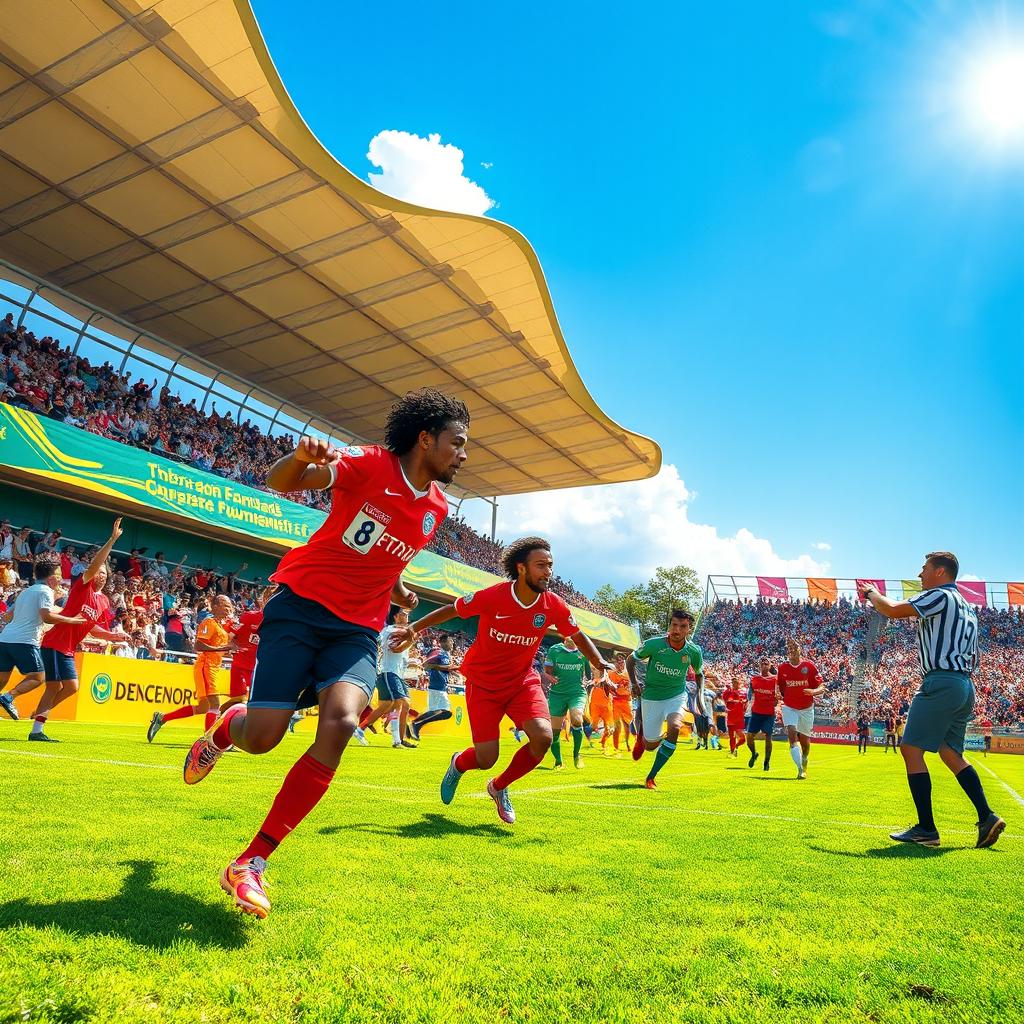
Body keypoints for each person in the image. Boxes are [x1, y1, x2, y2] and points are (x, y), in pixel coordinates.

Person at [182, 388, 467, 918]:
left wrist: (399, 590)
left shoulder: (436, 507)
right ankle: (226, 729)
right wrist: (300, 460)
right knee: (263, 739)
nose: (463, 454)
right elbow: (281, 481)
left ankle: (250, 863)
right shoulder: (367, 463)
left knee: (340, 723)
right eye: (458, 442)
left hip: (356, 630)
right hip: (299, 610)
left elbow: (379, 551)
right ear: (426, 439)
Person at [388, 537, 612, 824]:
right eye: (541, 565)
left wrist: (598, 662)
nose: (548, 572)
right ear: (521, 568)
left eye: (550, 566)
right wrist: (414, 629)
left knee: (543, 737)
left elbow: (578, 634)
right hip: (483, 683)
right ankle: (458, 764)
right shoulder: (494, 595)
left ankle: (499, 786)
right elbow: (454, 609)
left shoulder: (553, 604)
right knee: (485, 758)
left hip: (522, 682)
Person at [861, 552, 1005, 849]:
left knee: (911, 750)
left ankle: (927, 829)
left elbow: (891, 609)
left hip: (940, 681)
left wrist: (871, 592)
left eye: (924, 568)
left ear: (940, 571)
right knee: (951, 754)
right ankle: (987, 817)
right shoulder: (967, 607)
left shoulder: (940, 595)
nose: (920, 574)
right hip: (964, 684)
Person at [22, 519, 128, 741]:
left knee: (71, 687)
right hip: (54, 643)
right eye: (99, 571)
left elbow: (92, 628)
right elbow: (96, 563)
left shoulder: (104, 602)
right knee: (54, 687)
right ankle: (37, 730)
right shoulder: (83, 586)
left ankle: (40, 714)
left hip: (68, 648)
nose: (101, 575)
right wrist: (112, 540)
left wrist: (112, 635)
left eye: (104, 574)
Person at [0, 559, 89, 720]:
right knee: (38, 677)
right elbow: (46, 617)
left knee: (2, 678)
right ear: (50, 578)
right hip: (25, 641)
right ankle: (8, 697)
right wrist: (72, 620)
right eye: (59, 575)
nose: (61, 579)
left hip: (5, 639)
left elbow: (7, 616)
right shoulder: (46, 591)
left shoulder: (25, 591)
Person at [626, 610, 704, 790]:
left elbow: (699, 674)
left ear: (688, 630)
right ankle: (643, 733)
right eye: (674, 625)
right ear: (669, 626)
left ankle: (651, 777)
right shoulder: (654, 645)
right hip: (651, 696)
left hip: (676, 695)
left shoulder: (693, 651)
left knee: (675, 727)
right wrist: (634, 682)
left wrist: (699, 698)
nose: (677, 630)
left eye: (682, 626)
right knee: (650, 746)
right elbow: (631, 659)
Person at [362, 607, 416, 749]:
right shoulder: (393, 631)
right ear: (396, 617)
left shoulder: (400, 631)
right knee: (401, 703)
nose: (407, 616)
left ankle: (398, 739)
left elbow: (399, 655)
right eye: (404, 614)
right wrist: (410, 640)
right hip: (389, 672)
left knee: (396, 706)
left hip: (396, 673)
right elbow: (395, 649)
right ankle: (362, 728)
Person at [776, 638, 826, 779]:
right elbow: (779, 687)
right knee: (792, 735)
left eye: (795, 649)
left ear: (800, 651)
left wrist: (813, 692)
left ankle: (804, 763)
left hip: (806, 708)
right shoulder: (782, 668)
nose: (792, 652)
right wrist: (778, 694)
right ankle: (799, 769)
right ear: (788, 653)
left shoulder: (809, 667)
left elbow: (822, 687)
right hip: (789, 707)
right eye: (790, 650)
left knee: (804, 741)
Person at [544, 634, 592, 769]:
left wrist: (591, 680)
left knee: (577, 719)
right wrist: (550, 677)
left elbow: (589, 674)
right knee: (554, 731)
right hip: (557, 694)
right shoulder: (554, 650)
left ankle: (577, 755)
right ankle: (558, 762)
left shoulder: (584, 651)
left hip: (576, 693)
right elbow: (546, 671)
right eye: (570, 634)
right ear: (564, 637)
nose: (572, 636)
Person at [409, 634, 454, 740]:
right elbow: (426, 665)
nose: (452, 644)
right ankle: (415, 724)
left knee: (439, 712)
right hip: (436, 687)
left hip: (441, 687)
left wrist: (451, 670)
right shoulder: (437, 652)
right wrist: (446, 668)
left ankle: (414, 725)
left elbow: (445, 669)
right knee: (445, 712)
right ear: (443, 642)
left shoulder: (447, 654)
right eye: (450, 641)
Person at [744, 657, 778, 770]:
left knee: (768, 737)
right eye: (762, 663)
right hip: (756, 712)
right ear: (759, 665)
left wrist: (776, 700)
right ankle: (754, 754)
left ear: (770, 666)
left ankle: (766, 762)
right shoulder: (754, 679)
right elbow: (750, 694)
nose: (764, 665)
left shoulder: (774, 680)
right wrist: (747, 702)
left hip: (769, 714)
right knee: (749, 737)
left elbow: (778, 697)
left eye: (766, 663)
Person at [607, 652, 634, 755]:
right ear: (614, 662)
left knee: (627, 723)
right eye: (618, 661)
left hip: (627, 701)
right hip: (615, 701)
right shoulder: (610, 673)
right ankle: (616, 746)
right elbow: (607, 685)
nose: (620, 663)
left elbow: (633, 684)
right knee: (617, 725)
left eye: (622, 661)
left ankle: (628, 743)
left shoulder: (628, 673)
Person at [721, 674, 747, 757]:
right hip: (731, 717)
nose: (735, 684)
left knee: (742, 738)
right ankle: (732, 751)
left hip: (739, 718)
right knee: (732, 736)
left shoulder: (743, 692)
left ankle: (735, 747)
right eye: (733, 682)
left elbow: (745, 702)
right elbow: (725, 699)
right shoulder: (729, 692)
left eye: (736, 682)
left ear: (739, 683)